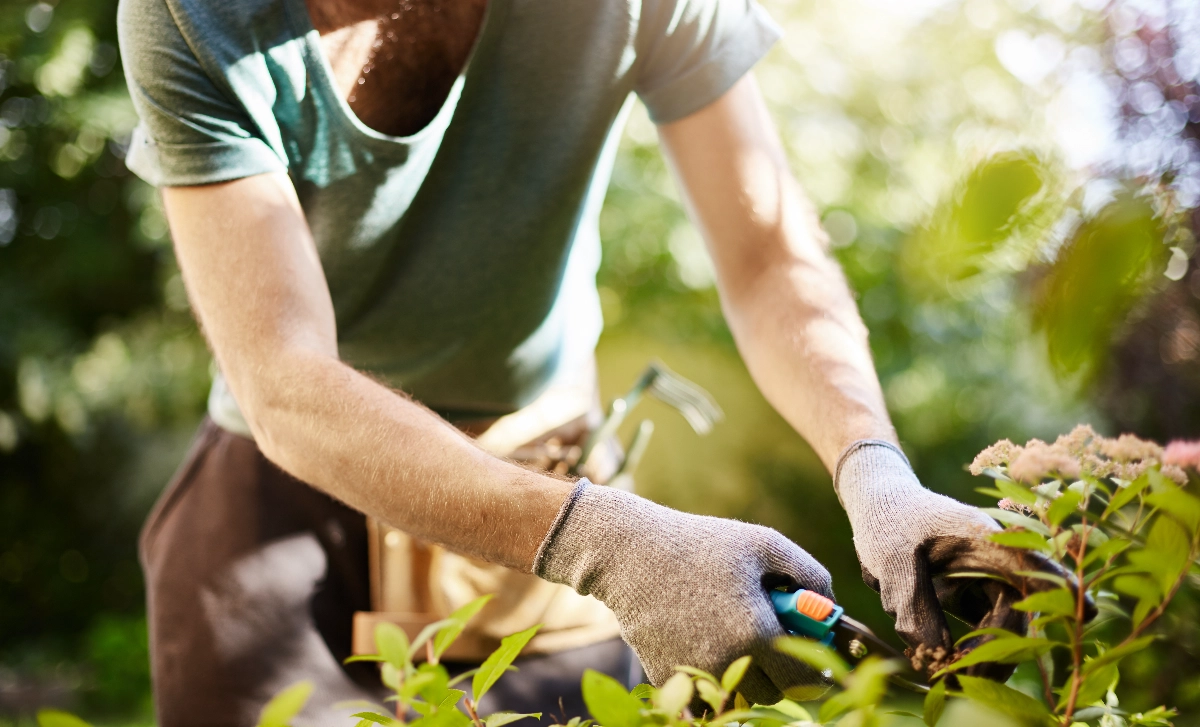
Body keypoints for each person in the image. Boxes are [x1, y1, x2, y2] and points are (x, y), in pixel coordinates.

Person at [117, 0, 1062, 724]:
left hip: (546, 466)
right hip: (280, 502)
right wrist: (608, 543)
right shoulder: (190, 17)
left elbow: (768, 251)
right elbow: (283, 379)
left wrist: (875, 471)